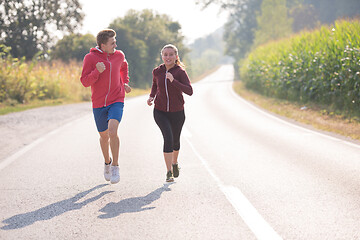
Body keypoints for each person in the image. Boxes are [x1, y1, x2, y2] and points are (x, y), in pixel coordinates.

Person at [80, 29, 131, 184]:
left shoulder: (119, 55)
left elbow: (123, 67)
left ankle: (115, 165)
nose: (116, 44)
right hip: (99, 103)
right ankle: (107, 162)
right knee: (104, 136)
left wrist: (125, 82)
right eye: (112, 42)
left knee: (113, 130)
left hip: (117, 99)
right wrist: (97, 71)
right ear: (103, 45)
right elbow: (85, 81)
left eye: (115, 41)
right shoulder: (90, 58)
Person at [147, 44, 193, 182]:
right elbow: (155, 85)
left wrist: (174, 81)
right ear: (162, 56)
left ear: (176, 56)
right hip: (160, 111)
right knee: (168, 137)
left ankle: (174, 163)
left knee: (175, 140)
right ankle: (168, 172)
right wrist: (151, 96)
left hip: (177, 112)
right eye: (165, 54)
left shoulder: (180, 72)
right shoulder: (157, 71)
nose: (168, 57)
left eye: (171, 54)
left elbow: (189, 91)